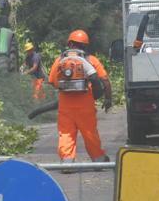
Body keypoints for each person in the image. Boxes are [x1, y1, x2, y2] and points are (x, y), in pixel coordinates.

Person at [47, 29, 112, 165]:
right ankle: (98, 160)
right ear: (85, 45)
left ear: (69, 43)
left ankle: (67, 161)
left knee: (66, 134)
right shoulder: (91, 60)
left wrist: (66, 87)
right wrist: (107, 98)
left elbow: (52, 81)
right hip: (86, 104)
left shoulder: (60, 60)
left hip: (65, 106)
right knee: (90, 134)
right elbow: (105, 80)